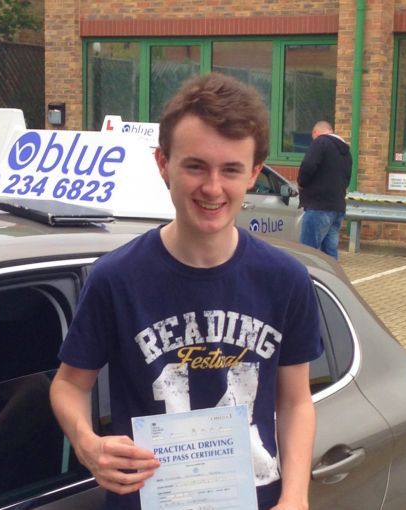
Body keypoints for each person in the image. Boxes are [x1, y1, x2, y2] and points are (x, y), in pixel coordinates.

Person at [49, 72, 323, 510]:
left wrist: (295, 496)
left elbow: (294, 402)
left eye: (231, 169)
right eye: (195, 165)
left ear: (254, 173)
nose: (213, 188)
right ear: (163, 164)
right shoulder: (116, 278)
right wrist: (87, 443)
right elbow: (68, 385)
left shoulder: (286, 279)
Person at [297, 120, 352, 259]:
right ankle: (332, 280)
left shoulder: (320, 142)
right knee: (330, 254)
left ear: (316, 133)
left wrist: (301, 183)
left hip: (318, 206)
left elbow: (308, 166)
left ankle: (308, 280)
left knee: (308, 253)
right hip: (337, 208)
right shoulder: (345, 152)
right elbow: (347, 178)